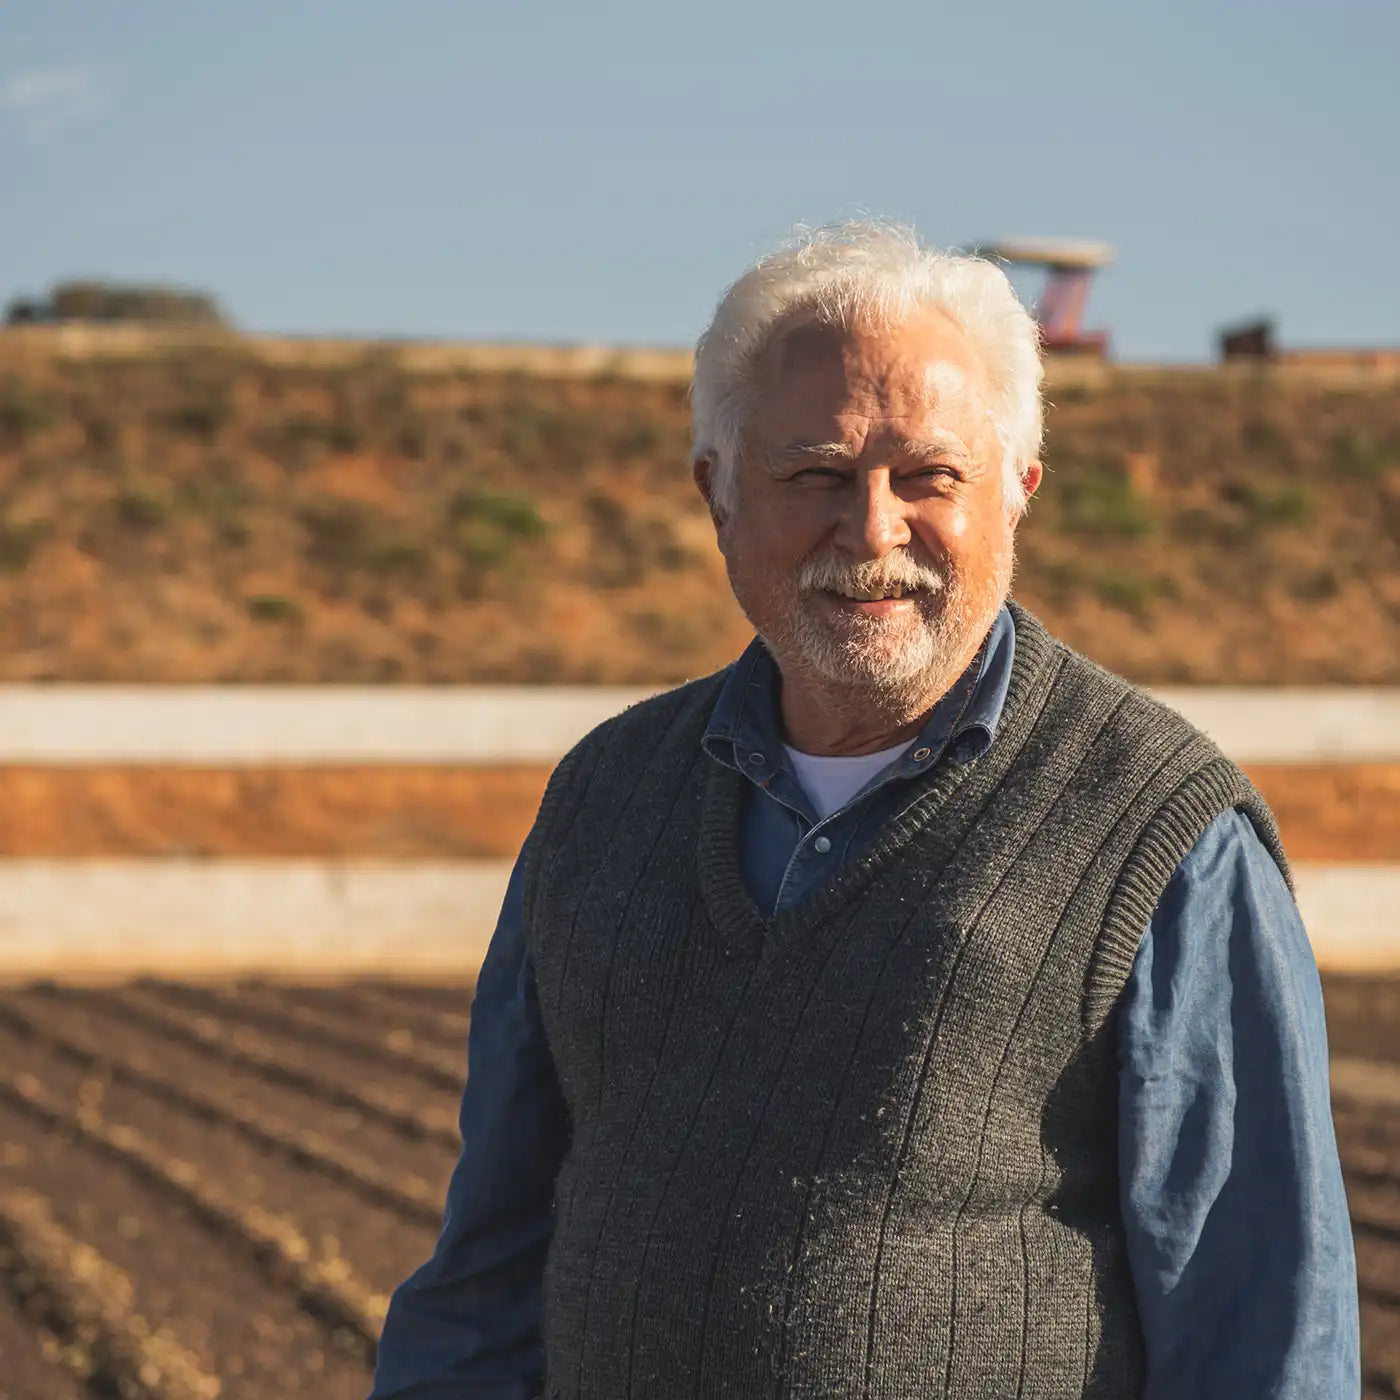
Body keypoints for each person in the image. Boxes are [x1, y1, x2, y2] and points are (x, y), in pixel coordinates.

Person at [370, 221, 1358, 1399]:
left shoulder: (1160, 829)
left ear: (1015, 491)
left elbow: (1262, 1332)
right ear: (718, 494)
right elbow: (485, 1273)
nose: (873, 529)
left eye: (928, 476)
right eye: (816, 475)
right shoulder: (602, 797)